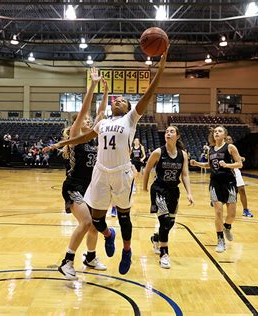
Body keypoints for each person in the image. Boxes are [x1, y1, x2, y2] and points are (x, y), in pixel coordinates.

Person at [46, 47, 169, 275]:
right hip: (94, 177)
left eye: (122, 100)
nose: (118, 101)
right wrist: (62, 143)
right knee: (95, 222)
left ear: (129, 108)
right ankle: (99, 242)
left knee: (116, 218)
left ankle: (120, 252)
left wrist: (160, 67)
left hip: (119, 173)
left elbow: (147, 94)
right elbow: (84, 131)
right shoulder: (97, 126)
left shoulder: (130, 119)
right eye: (116, 99)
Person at [56, 68, 108, 280]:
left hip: (91, 187)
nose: (88, 121)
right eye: (84, 119)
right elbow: (85, 109)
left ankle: (91, 257)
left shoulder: (94, 137)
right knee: (86, 222)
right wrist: (92, 86)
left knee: (94, 224)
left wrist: (105, 94)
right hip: (74, 186)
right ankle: (66, 261)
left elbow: (102, 114)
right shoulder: (76, 136)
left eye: (89, 120)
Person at [143, 125, 194, 269]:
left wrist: (189, 193)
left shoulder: (182, 154)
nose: (168, 133)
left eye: (171, 131)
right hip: (159, 189)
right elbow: (147, 170)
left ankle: (156, 238)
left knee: (170, 223)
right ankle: (164, 254)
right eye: (166, 131)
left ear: (177, 136)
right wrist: (145, 186)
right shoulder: (158, 152)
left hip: (173, 191)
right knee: (164, 221)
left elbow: (184, 174)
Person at [190, 126, 243, 253]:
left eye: (219, 131)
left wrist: (227, 165)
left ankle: (227, 226)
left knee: (232, 215)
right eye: (215, 132)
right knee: (218, 212)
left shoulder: (230, 148)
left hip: (229, 182)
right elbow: (209, 164)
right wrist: (197, 163)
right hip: (215, 183)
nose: (216, 133)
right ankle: (220, 240)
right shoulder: (211, 150)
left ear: (225, 135)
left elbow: (240, 164)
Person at [225, 135, 253, 217]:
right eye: (226, 139)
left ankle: (245, 210)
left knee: (242, 189)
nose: (228, 140)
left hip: (235, 170)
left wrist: (241, 158)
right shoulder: (222, 149)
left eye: (230, 139)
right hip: (225, 171)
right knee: (226, 191)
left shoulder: (233, 149)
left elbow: (237, 158)